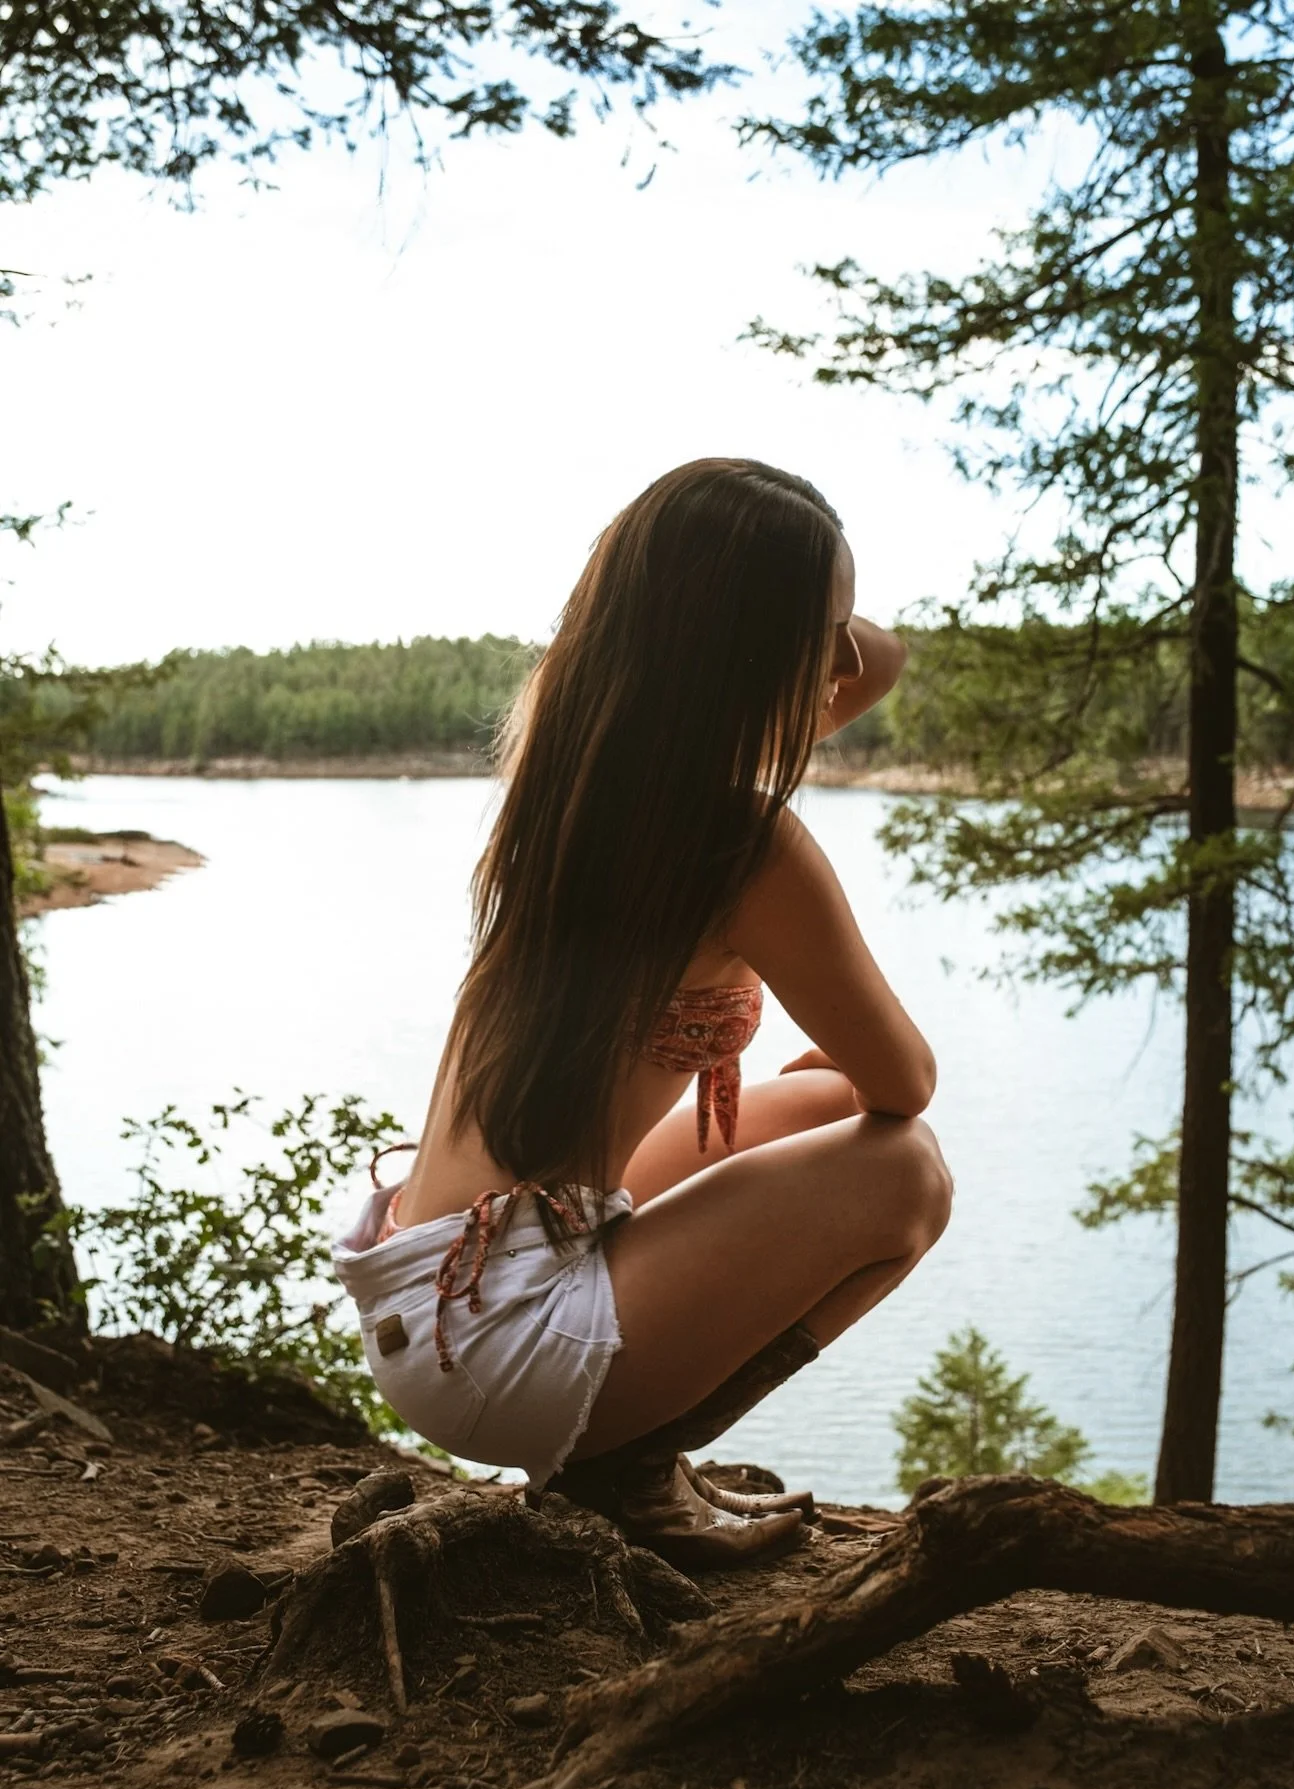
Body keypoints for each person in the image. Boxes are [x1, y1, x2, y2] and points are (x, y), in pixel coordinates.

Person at [334, 457, 953, 1568]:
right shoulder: (740, 845)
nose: (848, 663)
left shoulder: (572, 770)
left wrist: (804, 567)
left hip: (440, 1288)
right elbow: (909, 1081)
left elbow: (875, 662)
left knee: (825, 1094)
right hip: (500, 1334)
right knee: (908, 1169)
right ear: (750, 648)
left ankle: (623, 1445)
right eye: (823, 631)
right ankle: (629, 1466)